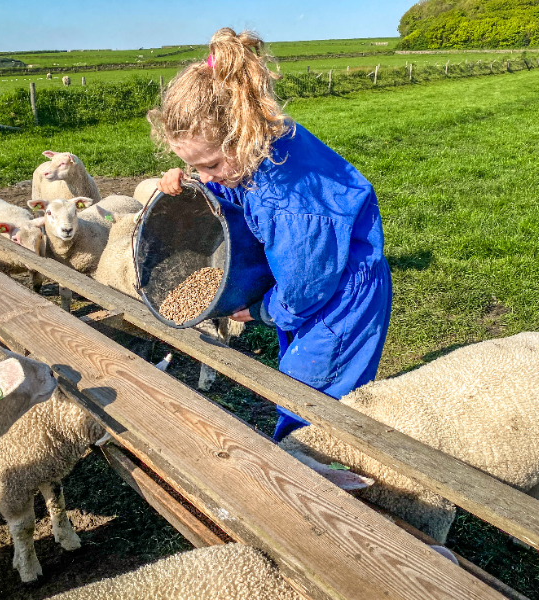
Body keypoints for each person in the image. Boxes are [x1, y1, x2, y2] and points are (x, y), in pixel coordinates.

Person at [149, 28, 392, 442]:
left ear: (239, 135)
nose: (205, 176)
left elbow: (306, 286)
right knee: (299, 374)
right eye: (193, 167)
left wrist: (265, 310)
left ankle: (316, 474)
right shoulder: (259, 146)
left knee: (309, 399)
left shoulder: (288, 201)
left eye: (208, 165)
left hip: (340, 297)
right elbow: (231, 181)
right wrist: (194, 184)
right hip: (319, 276)